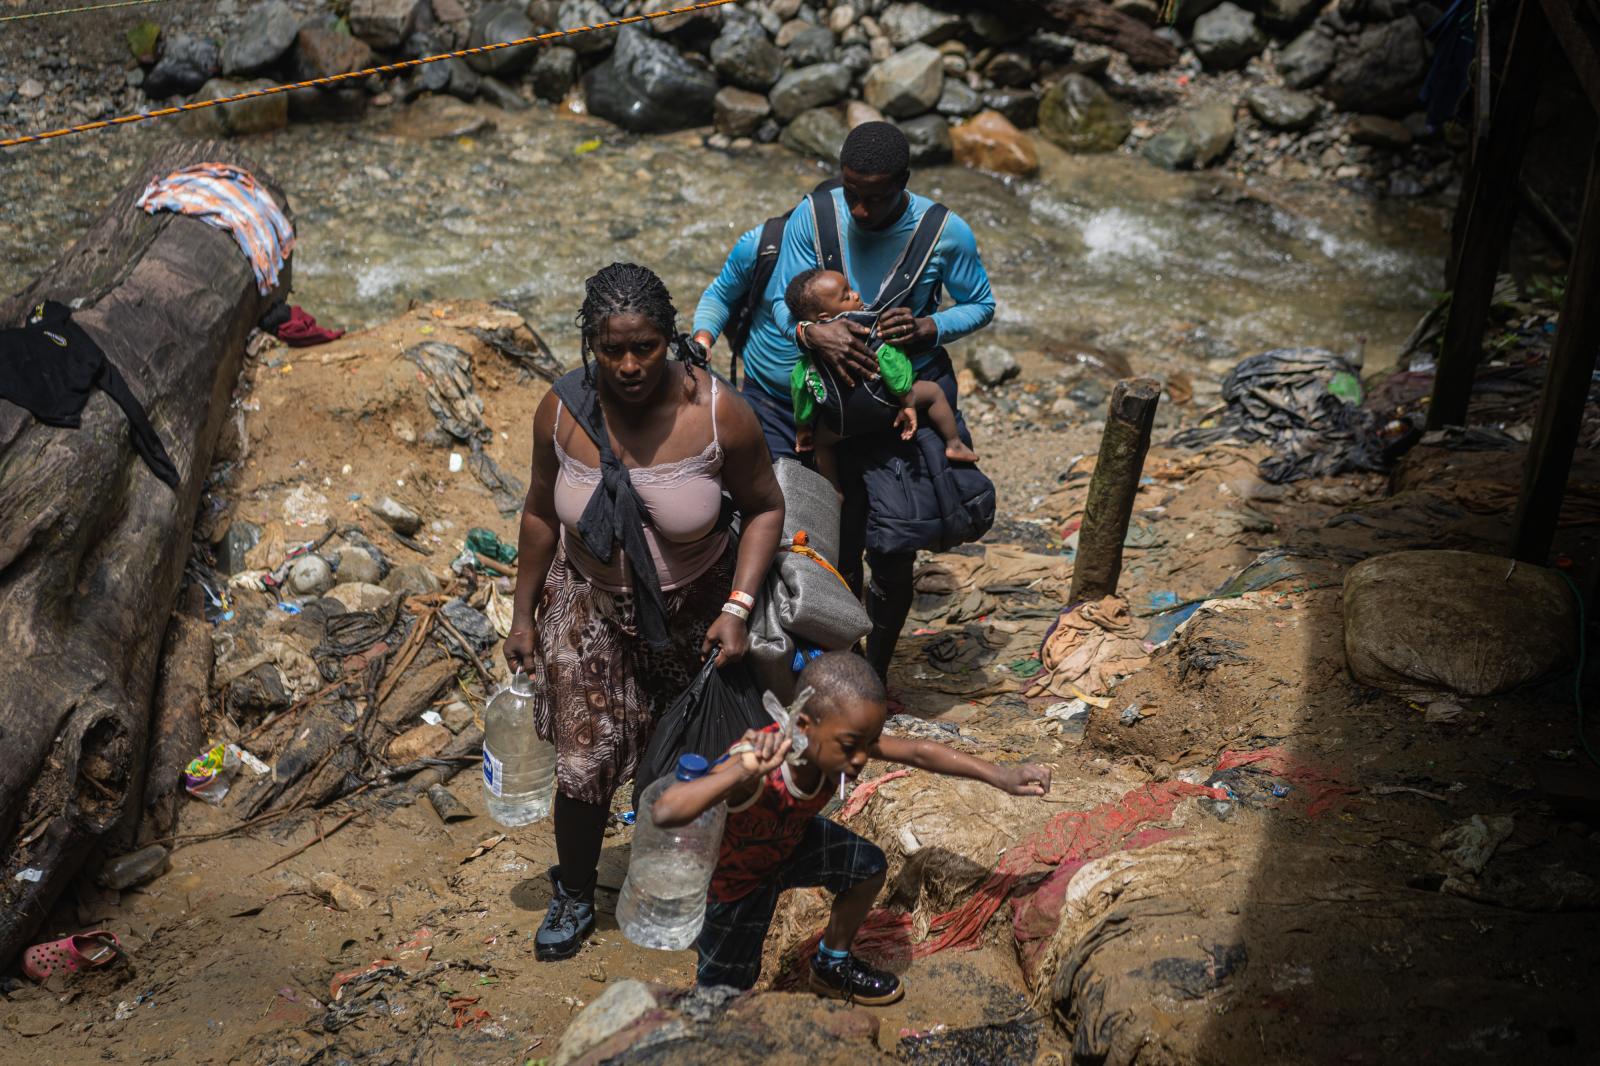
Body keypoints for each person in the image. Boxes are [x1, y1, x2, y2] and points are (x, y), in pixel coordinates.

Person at [503, 262, 785, 962]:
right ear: (589, 345)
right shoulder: (562, 411)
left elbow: (766, 508)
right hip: (588, 602)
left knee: (689, 755)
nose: (629, 365)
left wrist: (740, 608)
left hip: (696, 611)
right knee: (585, 757)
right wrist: (522, 614)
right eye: (612, 350)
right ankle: (575, 889)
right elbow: (540, 512)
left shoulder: (718, 413)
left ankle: (699, 879)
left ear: (672, 340)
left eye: (647, 347)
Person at [651, 652, 1052, 1001]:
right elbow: (667, 811)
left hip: (790, 847)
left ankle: (831, 963)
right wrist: (740, 771)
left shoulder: (839, 740)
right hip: (734, 888)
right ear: (804, 726)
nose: (861, 758)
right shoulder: (760, 761)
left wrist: (1002, 776)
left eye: (870, 741)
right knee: (724, 994)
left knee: (866, 867)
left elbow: (918, 751)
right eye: (850, 745)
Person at [784, 267, 979, 488]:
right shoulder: (868, 329)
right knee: (934, 393)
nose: (856, 294)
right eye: (846, 295)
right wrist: (907, 401)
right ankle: (954, 444)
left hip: (841, 423)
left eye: (851, 288)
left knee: (822, 443)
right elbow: (892, 366)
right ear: (825, 317)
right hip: (883, 408)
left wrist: (802, 427)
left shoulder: (813, 349)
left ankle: (833, 491)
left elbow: (800, 387)